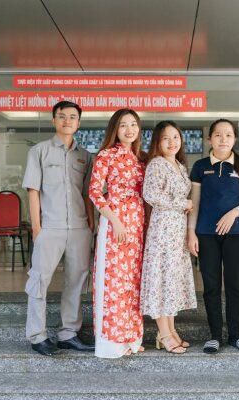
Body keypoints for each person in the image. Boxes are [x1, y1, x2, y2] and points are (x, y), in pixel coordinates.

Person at [22, 100, 95, 357]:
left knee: (77, 281)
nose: (67, 121)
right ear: (53, 120)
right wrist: (37, 228)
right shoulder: (39, 151)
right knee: (39, 281)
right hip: (49, 228)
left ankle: (68, 334)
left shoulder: (85, 156)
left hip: (79, 228)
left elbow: (88, 195)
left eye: (72, 117)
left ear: (78, 122)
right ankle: (37, 336)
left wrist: (91, 226)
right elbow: (33, 191)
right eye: (62, 116)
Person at [188, 118, 239, 354]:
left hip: (236, 234)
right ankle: (215, 335)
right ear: (210, 139)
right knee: (211, 285)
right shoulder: (200, 166)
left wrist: (235, 214)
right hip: (206, 233)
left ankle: (235, 335)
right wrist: (191, 232)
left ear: (235, 139)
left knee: (234, 285)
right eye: (218, 135)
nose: (223, 139)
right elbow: (195, 202)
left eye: (228, 135)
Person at [89, 108, 146, 358]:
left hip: (137, 226)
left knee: (133, 283)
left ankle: (131, 338)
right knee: (113, 282)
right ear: (115, 129)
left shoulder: (139, 158)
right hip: (116, 226)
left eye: (133, 124)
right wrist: (115, 221)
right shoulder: (106, 155)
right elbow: (94, 192)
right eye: (123, 125)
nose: (129, 129)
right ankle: (112, 341)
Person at [140, 120, 197, 354]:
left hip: (177, 231)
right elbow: (150, 194)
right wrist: (182, 203)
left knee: (171, 281)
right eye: (166, 138)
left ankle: (172, 331)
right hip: (163, 230)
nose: (172, 142)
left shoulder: (180, 166)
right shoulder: (156, 164)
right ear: (157, 142)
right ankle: (163, 334)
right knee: (162, 281)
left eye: (175, 137)